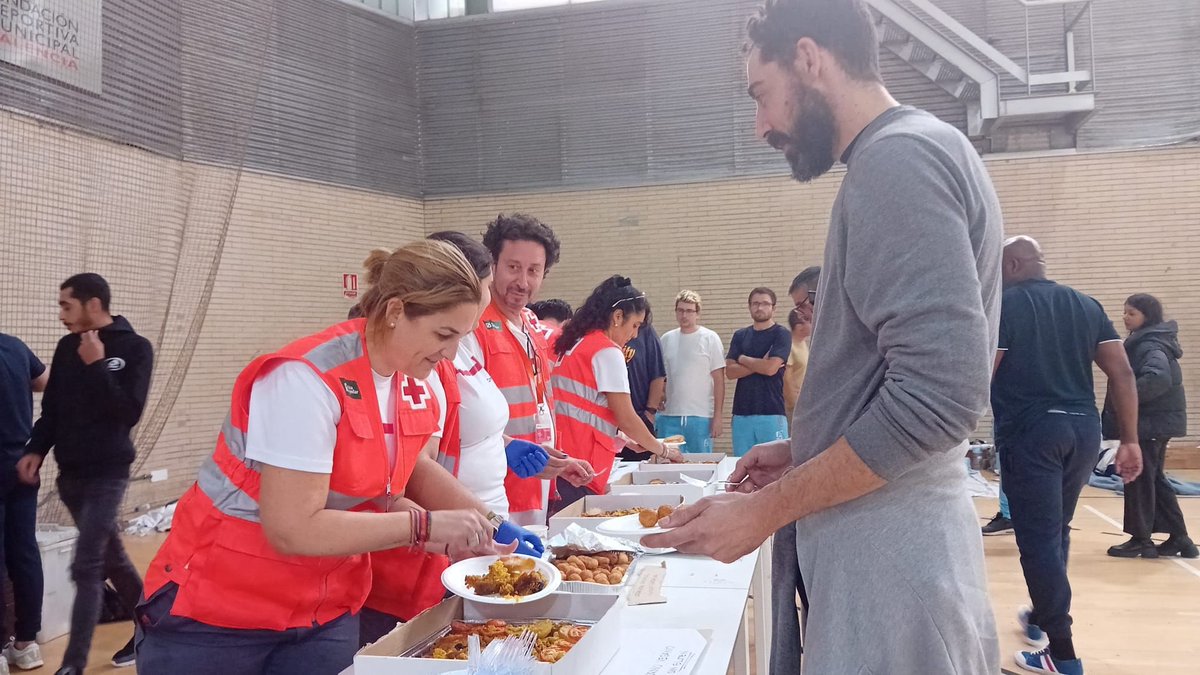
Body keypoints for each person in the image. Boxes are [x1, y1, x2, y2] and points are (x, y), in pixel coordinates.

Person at [646, 1, 1007, 671]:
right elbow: (908, 379)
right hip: (893, 547)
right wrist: (808, 447)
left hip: (892, 562)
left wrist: (765, 511)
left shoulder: (897, 163)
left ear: (810, 59)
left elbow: (940, 397)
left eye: (762, 94)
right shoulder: (926, 146)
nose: (760, 126)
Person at [135, 241, 532, 674]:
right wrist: (425, 524)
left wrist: (456, 532)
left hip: (323, 612)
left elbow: (380, 491)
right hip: (217, 615)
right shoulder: (305, 380)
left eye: (462, 338)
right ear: (396, 311)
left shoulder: (408, 384)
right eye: (443, 335)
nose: (451, 355)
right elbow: (292, 527)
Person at [357, 233, 588, 647]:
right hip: (415, 561)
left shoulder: (453, 348)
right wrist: (481, 524)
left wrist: (505, 452)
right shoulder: (413, 363)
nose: (516, 283)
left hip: (462, 536)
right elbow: (409, 471)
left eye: (534, 270)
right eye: (508, 270)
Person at [991, 236, 1142, 674]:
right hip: (1082, 430)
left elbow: (984, 371)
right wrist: (1129, 440)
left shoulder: (1005, 306)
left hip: (1031, 432)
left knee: (1037, 541)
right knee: (1055, 530)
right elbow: (1122, 371)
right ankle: (1041, 615)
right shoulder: (1085, 304)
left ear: (1014, 264)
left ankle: (1062, 654)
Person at [17, 274, 154, 674]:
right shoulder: (66, 347)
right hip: (71, 474)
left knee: (87, 564)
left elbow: (128, 412)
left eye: (66, 306)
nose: (61, 314)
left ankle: (72, 664)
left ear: (93, 305)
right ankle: (156, 626)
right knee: (112, 559)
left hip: (109, 471)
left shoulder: (135, 348)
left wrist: (97, 366)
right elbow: (53, 410)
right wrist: (36, 450)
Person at [550, 276, 684, 511]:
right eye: (635, 326)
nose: (634, 335)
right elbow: (627, 416)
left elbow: (582, 409)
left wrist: (622, 439)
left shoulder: (575, 344)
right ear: (617, 317)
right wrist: (661, 449)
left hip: (561, 463)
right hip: (582, 469)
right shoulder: (607, 351)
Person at [462, 214, 563, 526]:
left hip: (535, 480)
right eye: (513, 267)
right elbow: (462, 414)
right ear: (492, 265)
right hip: (489, 491)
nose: (523, 281)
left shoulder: (532, 324)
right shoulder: (471, 326)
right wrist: (508, 448)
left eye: (533, 271)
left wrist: (555, 457)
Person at [1103, 293, 1194, 559]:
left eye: (1131, 313)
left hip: (1150, 424)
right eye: (1125, 312)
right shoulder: (1148, 341)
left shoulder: (1150, 344)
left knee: (1139, 479)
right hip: (1156, 423)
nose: (1125, 317)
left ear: (1147, 316)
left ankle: (1141, 540)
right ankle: (1180, 538)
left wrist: (1126, 399)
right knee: (1154, 479)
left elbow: (1157, 378)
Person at [1, 332, 49, 672]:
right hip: (22, 465)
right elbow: (44, 381)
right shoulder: (14, 347)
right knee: (24, 552)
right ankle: (27, 643)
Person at [657, 290, 725, 454]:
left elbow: (719, 381)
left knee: (701, 465)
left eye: (689, 311)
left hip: (700, 416)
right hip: (670, 416)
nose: (684, 315)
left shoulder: (710, 338)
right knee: (669, 463)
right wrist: (659, 396)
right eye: (680, 310)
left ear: (697, 314)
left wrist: (717, 417)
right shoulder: (666, 339)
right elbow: (662, 376)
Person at [725, 287, 791, 457]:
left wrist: (742, 358)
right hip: (742, 414)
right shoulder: (740, 335)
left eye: (765, 304)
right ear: (749, 307)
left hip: (771, 412)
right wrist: (761, 362)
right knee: (742, 465)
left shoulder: (781, 334)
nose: (760, 308)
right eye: (755, 303)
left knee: (775, 466)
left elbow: (770, 369)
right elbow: (730, 372)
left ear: (773, 308)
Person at [617, 319, 666, 461]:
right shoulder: (606, 334)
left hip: (639, 416)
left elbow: (658, 374)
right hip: (612, 422)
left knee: (642, 469)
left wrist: (650, 412)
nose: (634, 332)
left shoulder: (646, 332)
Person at [782, 267, 818, 418]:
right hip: (799, 409)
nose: (802, 314)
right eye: (797, 309)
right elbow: (787, 380)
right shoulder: (789, 345)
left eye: (802, 306)